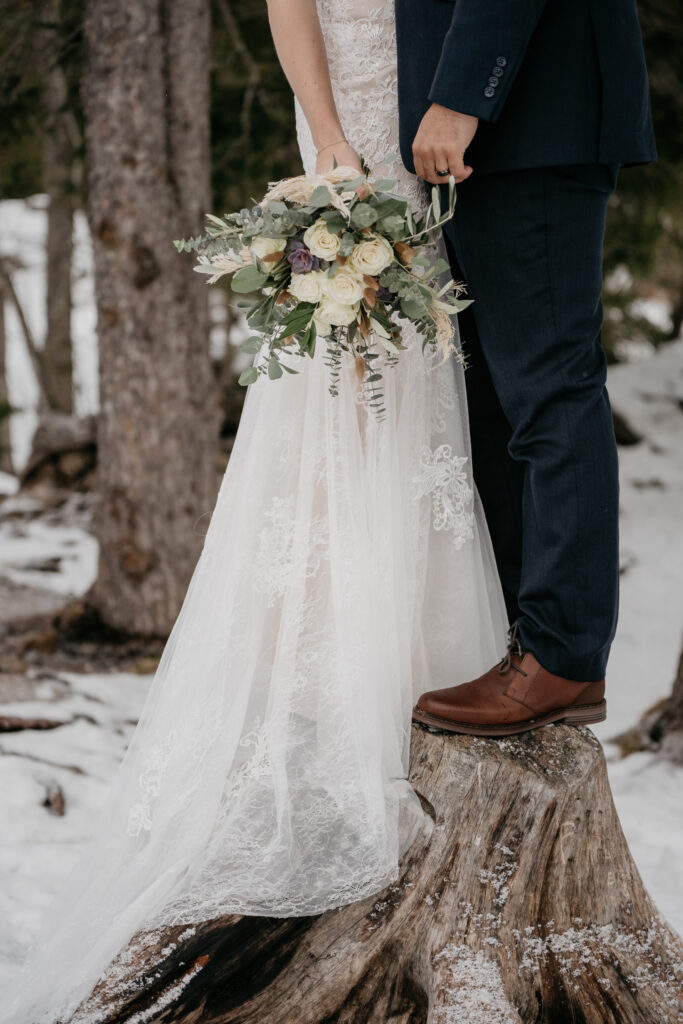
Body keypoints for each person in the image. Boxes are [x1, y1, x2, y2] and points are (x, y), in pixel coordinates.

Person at [5, 1, 509, 1020]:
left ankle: (424, 643)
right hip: (349, 134)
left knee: (425, 376)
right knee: (342, 375)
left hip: (434, 137)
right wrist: (324, 132)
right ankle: (328, 649)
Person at [399, 0, 656, 736]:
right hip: (498, 128)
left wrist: (459, 94)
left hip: (530, 115)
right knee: (498, 403)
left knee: (549, 392)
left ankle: (563, 658)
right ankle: (525, 643)